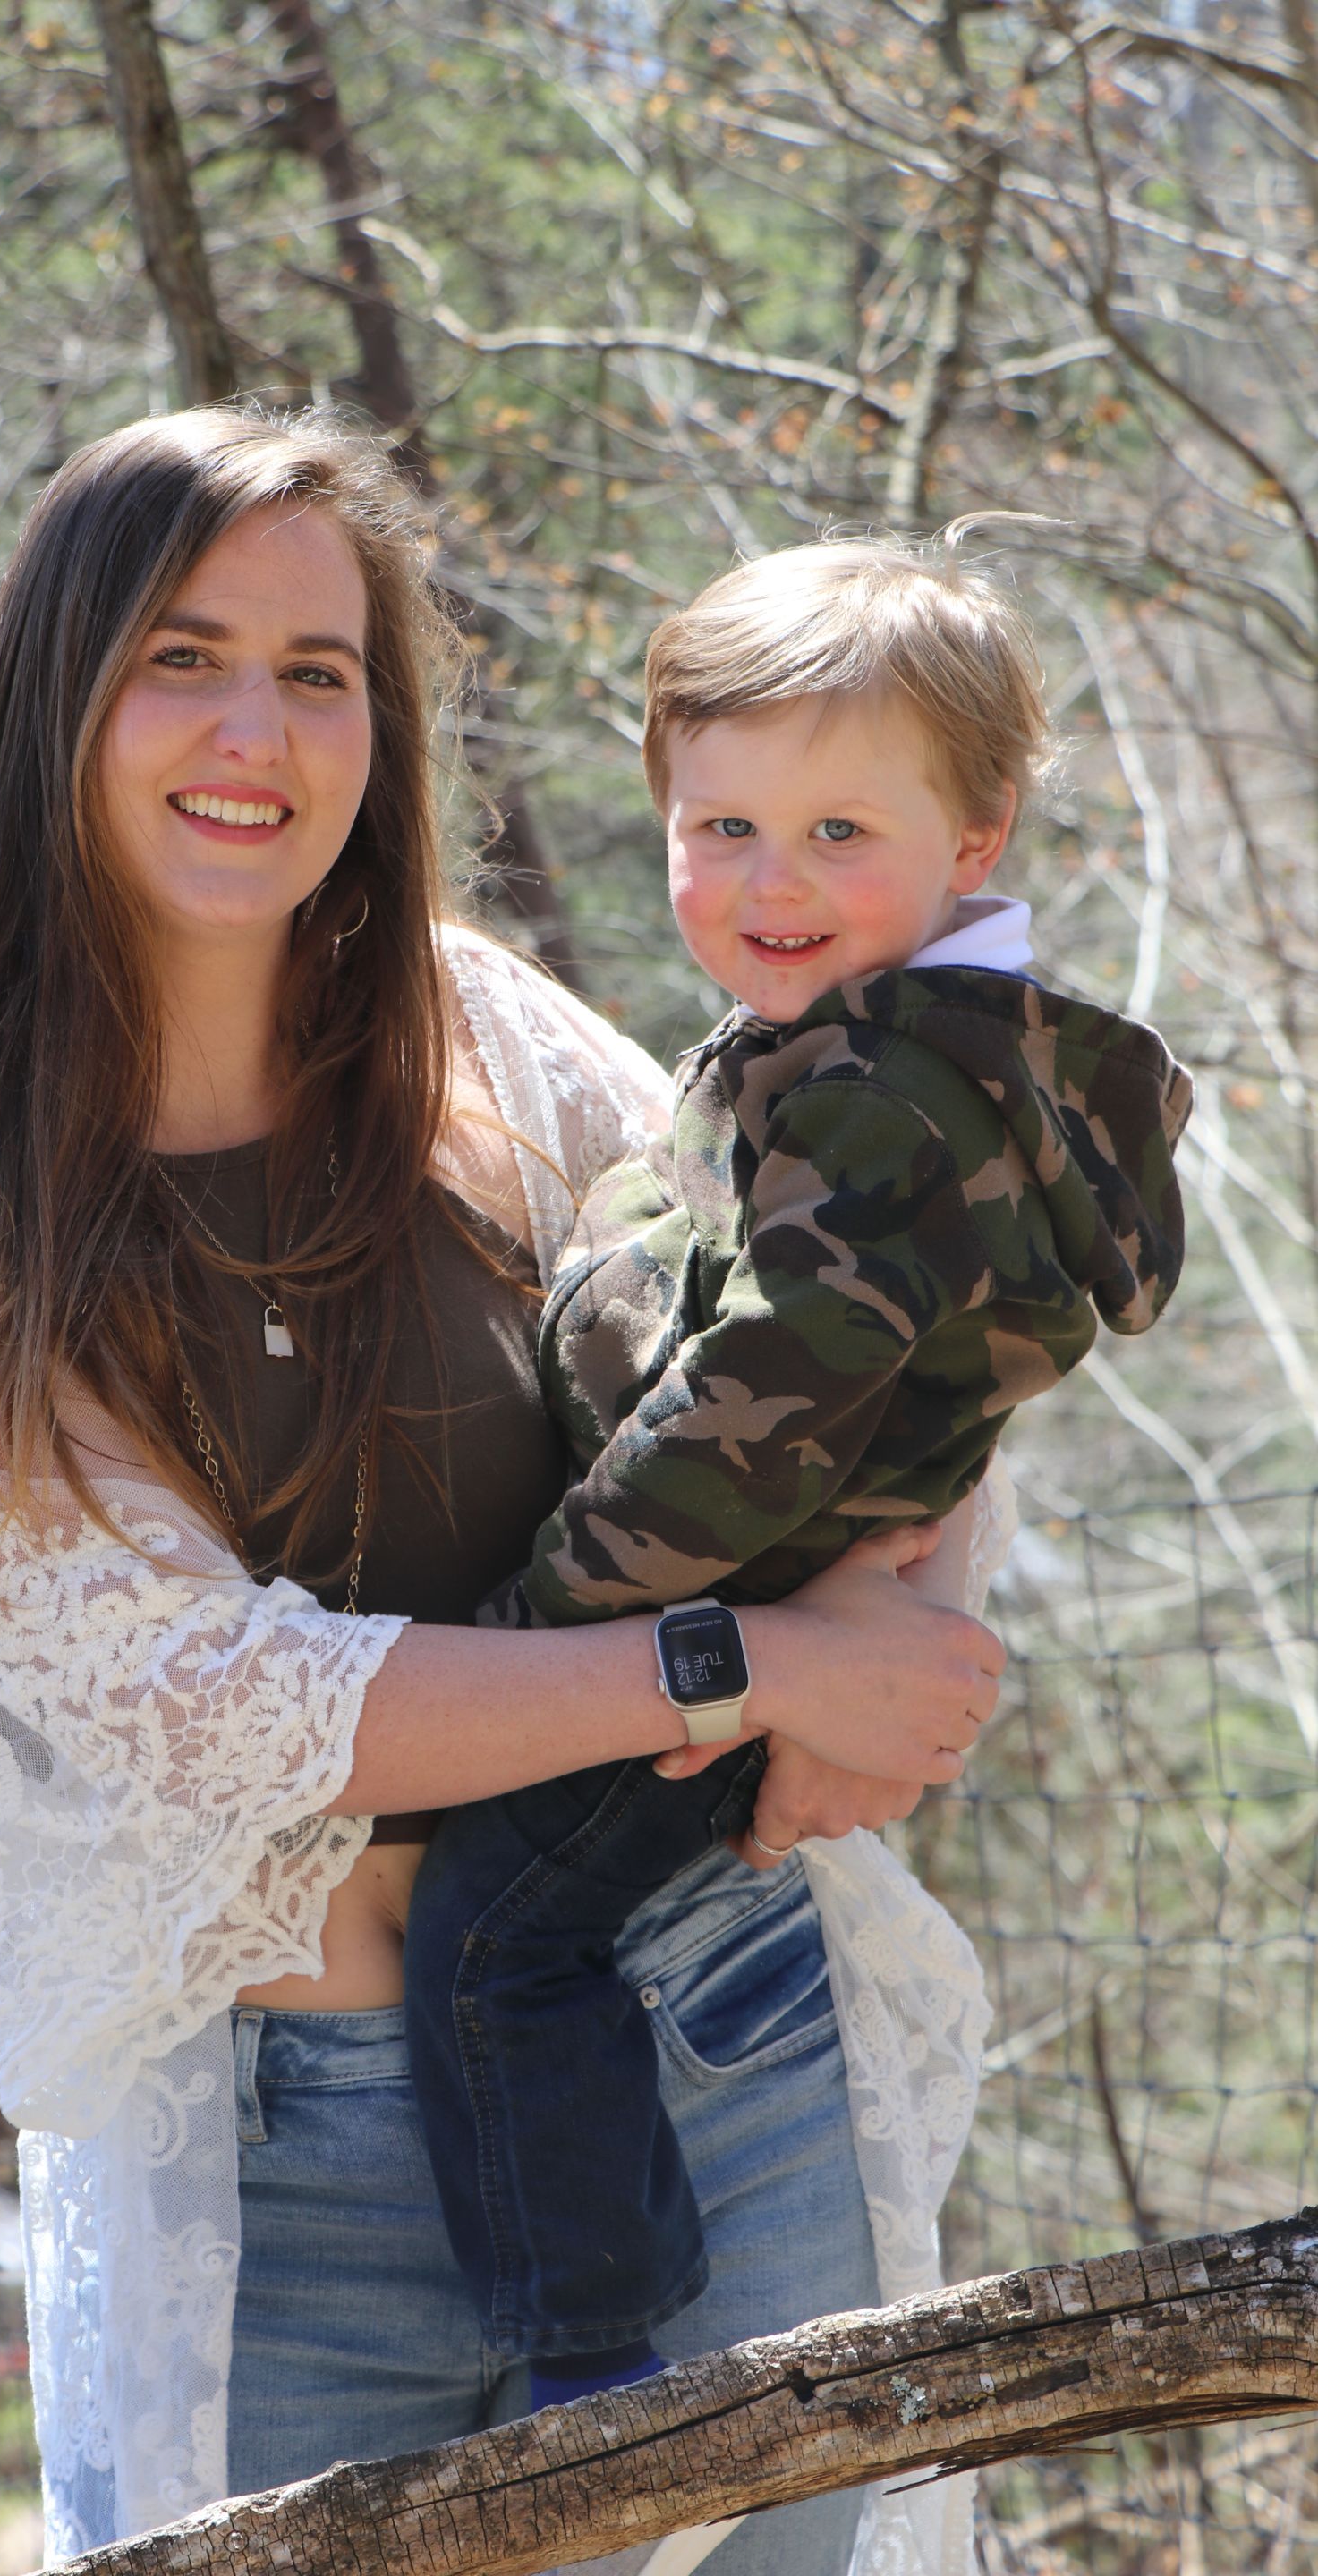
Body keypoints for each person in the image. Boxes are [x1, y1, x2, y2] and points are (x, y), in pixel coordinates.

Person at [0, 411, 1007, 2576]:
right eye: (183, 653)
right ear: (58, 686)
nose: (258, 730)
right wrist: (754, 1662)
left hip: (707, 2020)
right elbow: (206, 1701)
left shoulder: (489, 1044)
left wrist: (885, 1647)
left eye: (319, 671)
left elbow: (864, 1314)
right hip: (287, 2160)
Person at [402, 536, 1192, 2413]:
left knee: (493, 1943)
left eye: (842, 834)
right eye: (721, 825)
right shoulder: (925, 1054)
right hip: (757, 1609)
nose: (769, 882)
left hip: (701, 1620)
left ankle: (593, 2362)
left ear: (975, 835)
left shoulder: (868, 1098)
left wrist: (551, 1627)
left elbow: (770, 1393)